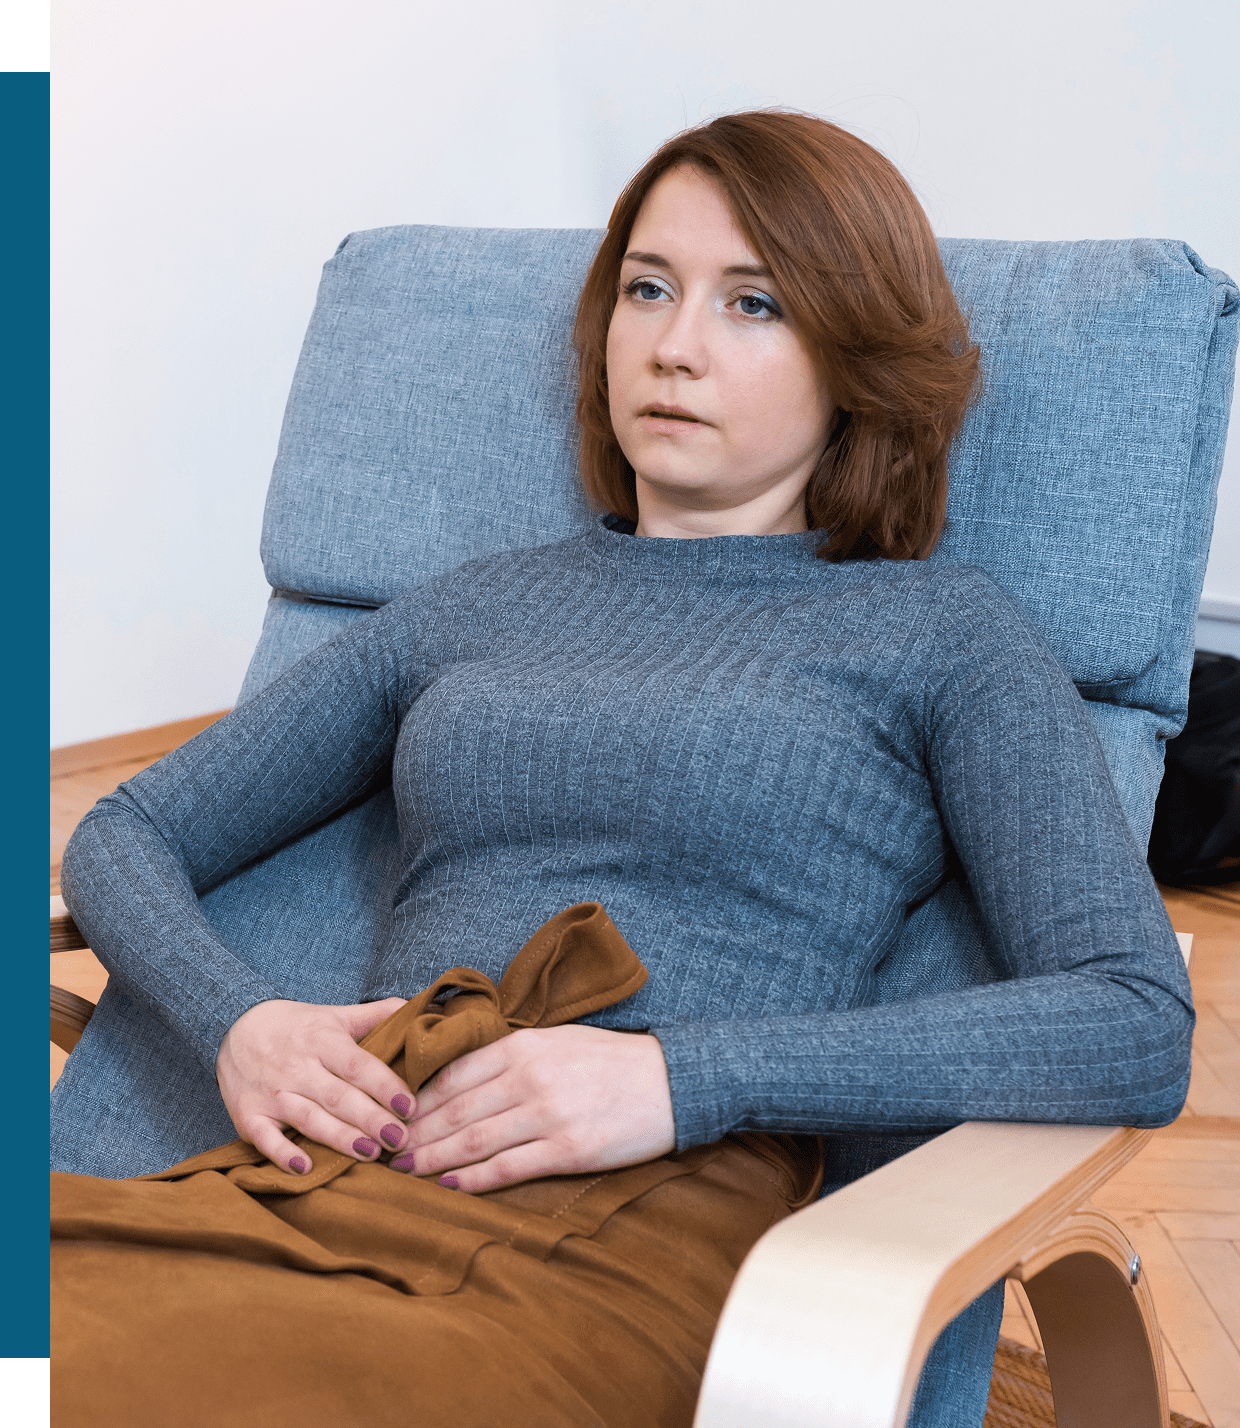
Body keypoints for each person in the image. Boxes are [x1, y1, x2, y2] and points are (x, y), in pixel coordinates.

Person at [53, 110, 1193, 1427]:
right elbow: (126, 832)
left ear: (854, 359)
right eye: (648, 289)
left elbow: (1130, 1018)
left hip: (612, 1249)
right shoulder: (472, 606)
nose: (674, 345)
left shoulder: (941, 632)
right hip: (325, 1184)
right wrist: (240, 1024)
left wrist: (679, 1079)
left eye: (753, 304)